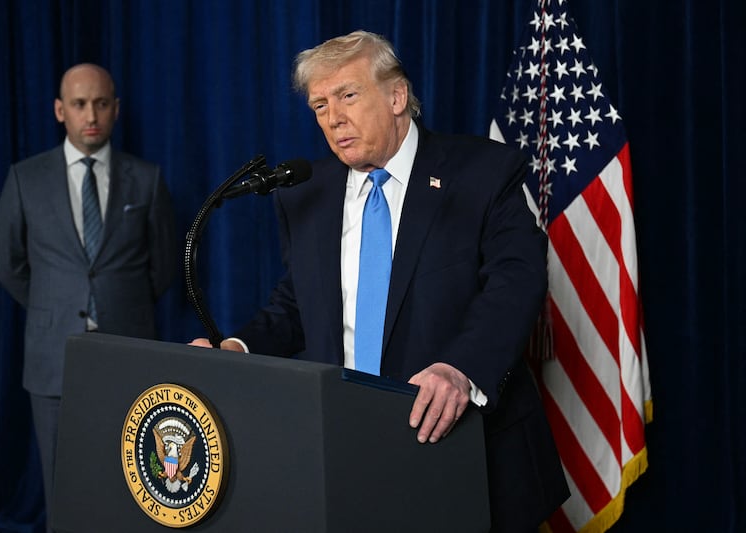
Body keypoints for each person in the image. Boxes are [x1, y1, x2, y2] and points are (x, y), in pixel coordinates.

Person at [193, 30, 568, 531]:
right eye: (319, 105)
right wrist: (238, 347)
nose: (333, 118)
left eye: (347, 95)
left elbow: (516, 282)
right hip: (348, 452)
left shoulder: (482, 171)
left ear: (396, 97)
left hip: (465, 452)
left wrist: (461, 369)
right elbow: (299, 304)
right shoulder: (307, 193)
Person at [0, 63, 177, 531]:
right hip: (52, 358)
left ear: (116, 109)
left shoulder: (147, 178)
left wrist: (120, 306)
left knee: (131, 481)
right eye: (78, 104)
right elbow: (9, 266)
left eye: (100, 103)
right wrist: (54, 309)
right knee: (61, 482)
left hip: (130, 353)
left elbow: (164, 266)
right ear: (60, 110)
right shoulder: (24, 179)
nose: (90, 114)